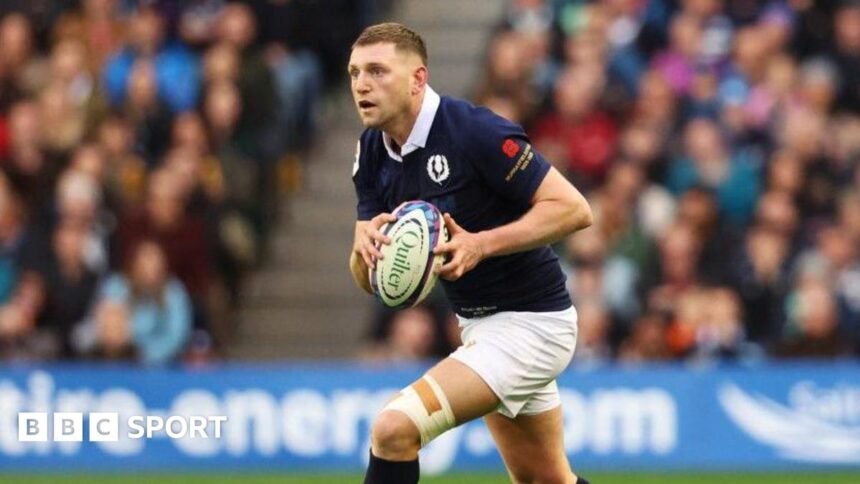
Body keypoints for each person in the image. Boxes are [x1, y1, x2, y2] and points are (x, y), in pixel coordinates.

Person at [348, 23, 593, 484]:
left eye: (377, 71)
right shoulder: (371, 151)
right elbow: (369, 280)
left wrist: (481, 244)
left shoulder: (473, 131)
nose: (362, 84)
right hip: (479, 327)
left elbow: (574, 209)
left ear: (417, 79)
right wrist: (364, 254)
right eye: (355, 73)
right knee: (545, 479)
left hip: (533, 325)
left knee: (393, 429)